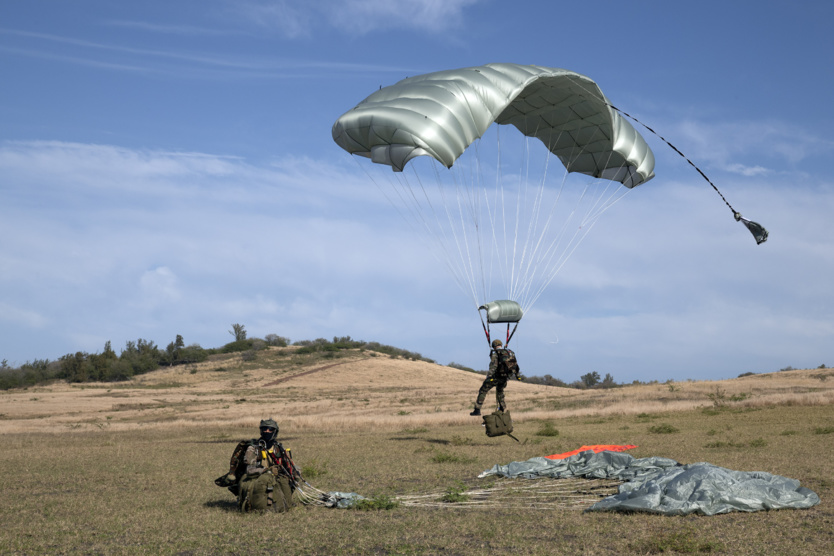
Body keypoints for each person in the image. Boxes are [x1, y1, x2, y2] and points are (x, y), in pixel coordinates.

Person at [235, 418, 299, 512]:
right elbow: (249, 469)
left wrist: (292, 473)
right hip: (258, 477)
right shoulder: (253, 448)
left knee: (295, 473)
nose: (267, 431)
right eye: (264, 429)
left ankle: (285, 499)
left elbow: (287, 465)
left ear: (275, 431)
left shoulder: (278, 447)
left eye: (270, 429)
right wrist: (266, 470)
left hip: (276, 476)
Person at [470, 339, 521, 416]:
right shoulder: (510, 352)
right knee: (500, 392)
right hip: (505, 378)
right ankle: (502, 409)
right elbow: (515, 365)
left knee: (483, 390)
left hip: (495, 377)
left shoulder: (495, 353)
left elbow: (493, 366)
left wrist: (489, 376)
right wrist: (517, 376)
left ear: (494, 346)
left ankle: (477, 410)